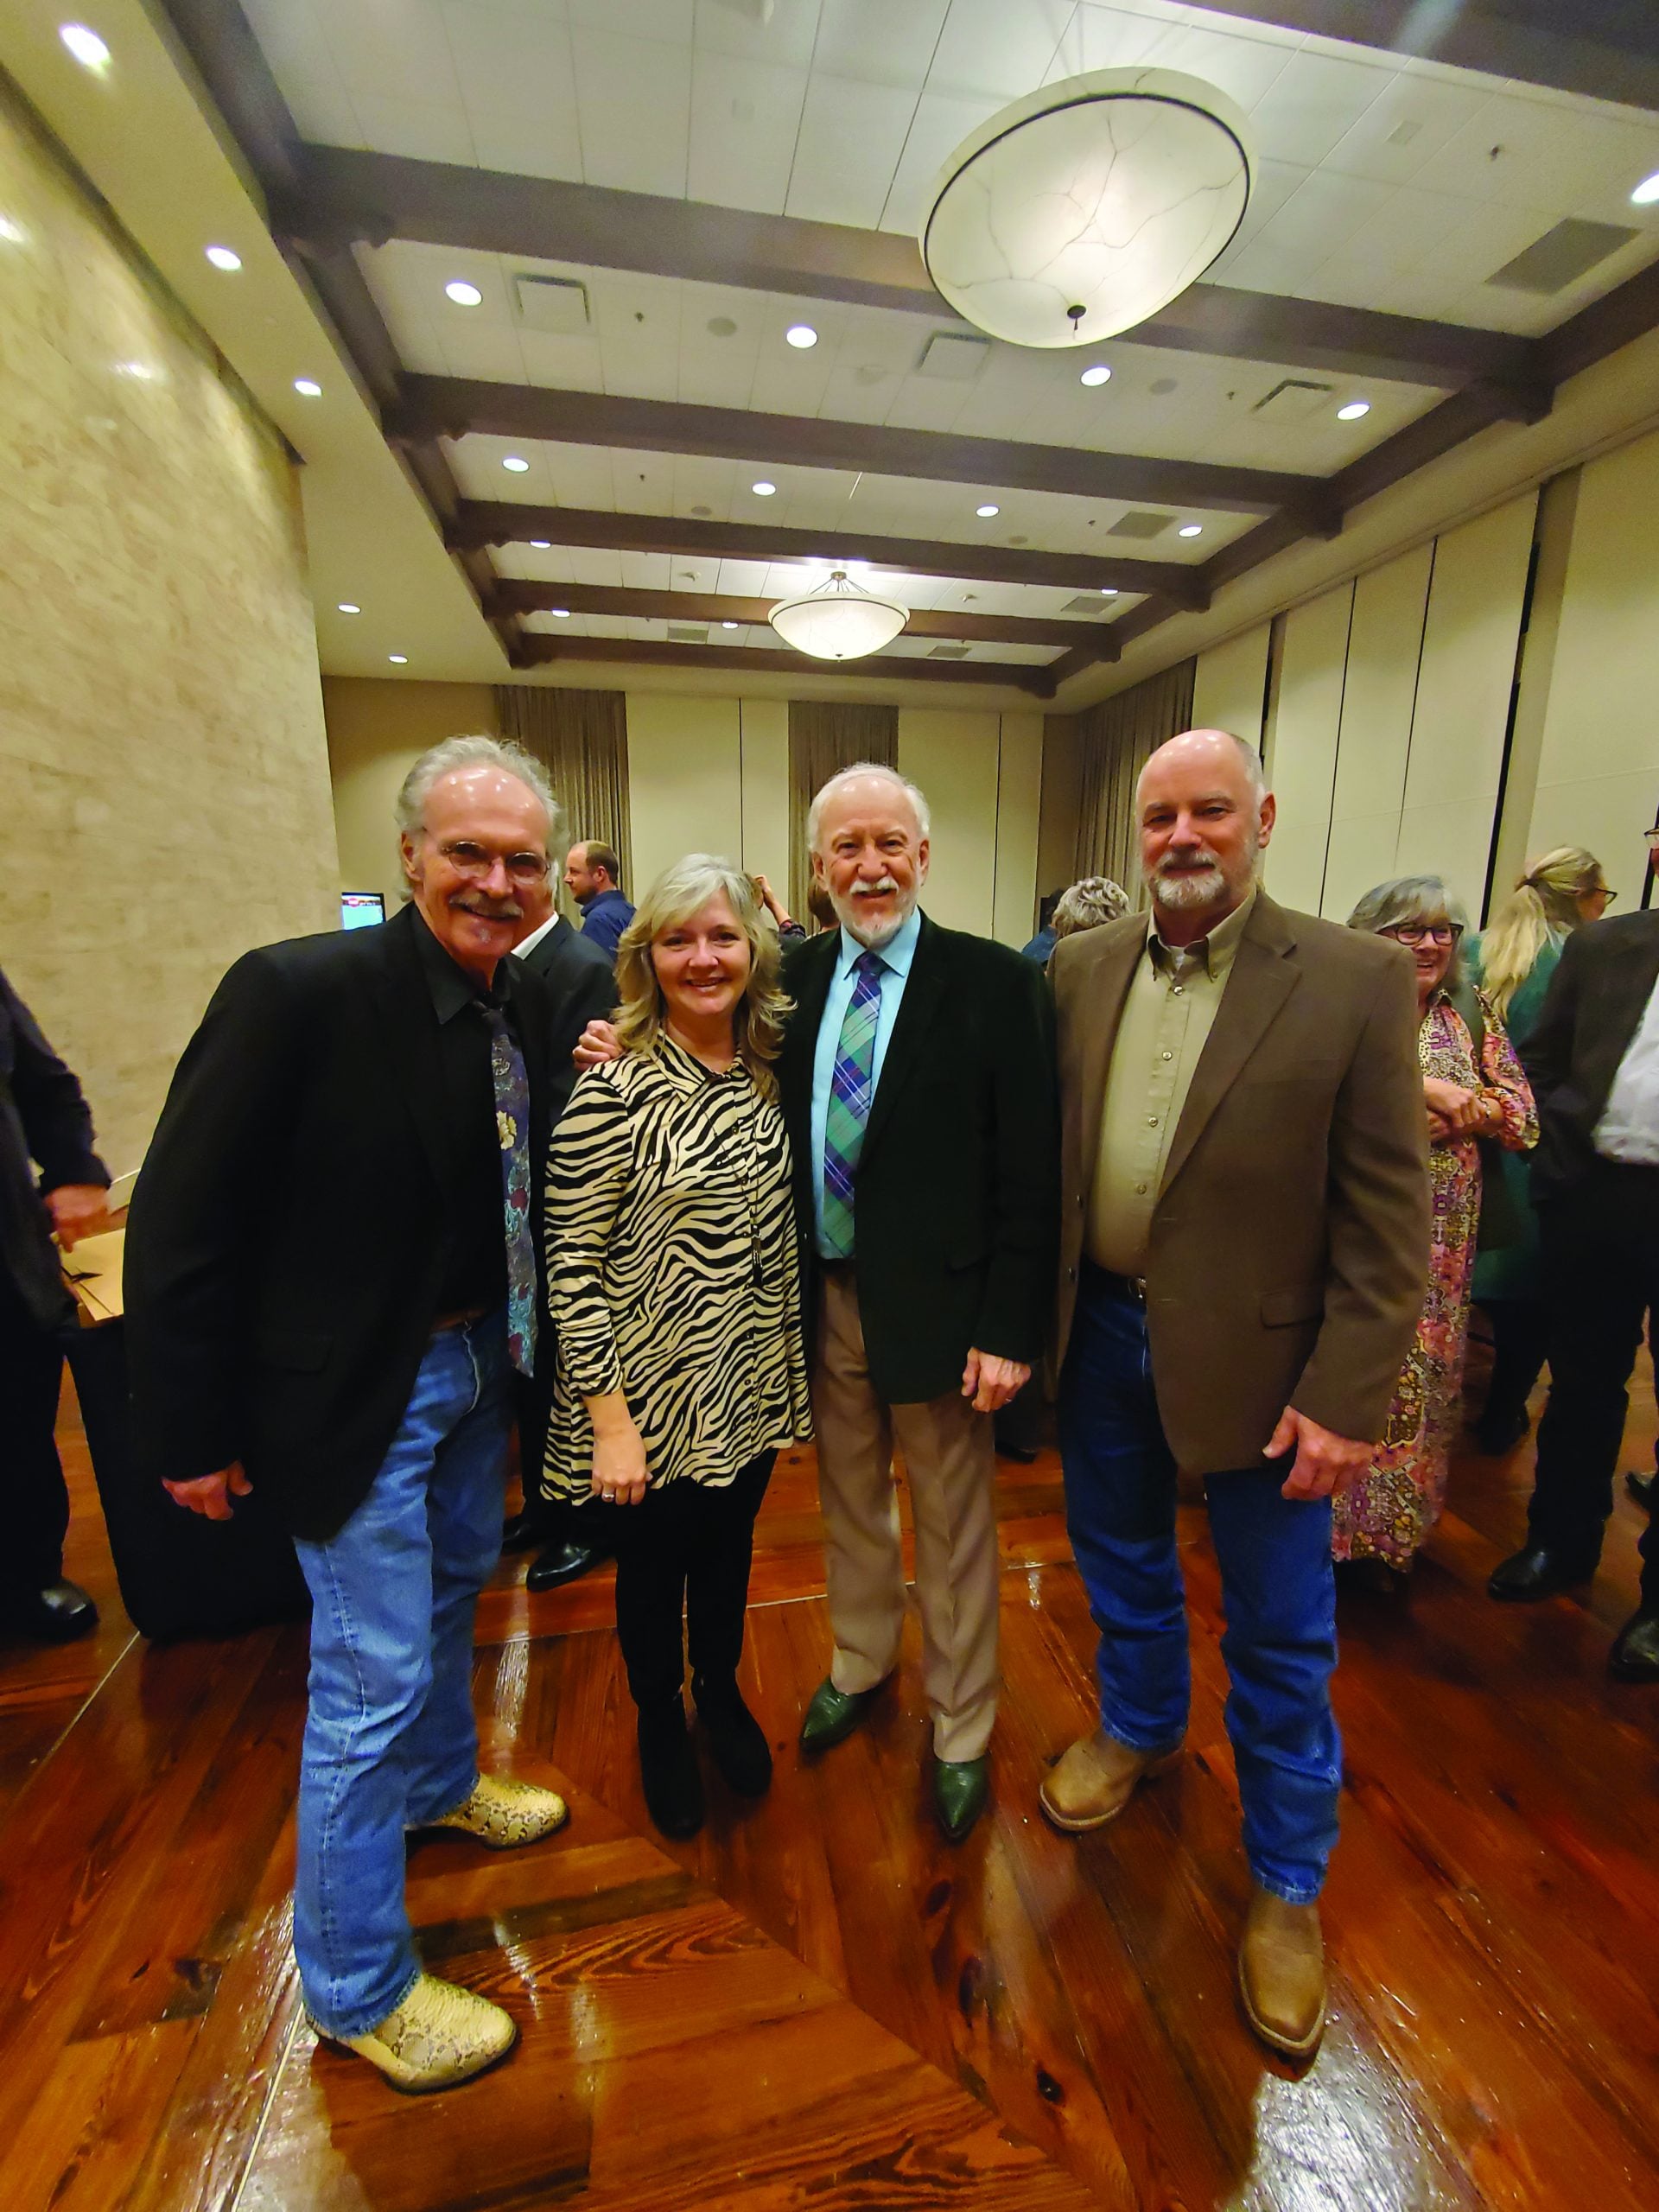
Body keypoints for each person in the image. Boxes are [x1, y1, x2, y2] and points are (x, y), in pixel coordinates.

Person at [124, 735, 571, 2094]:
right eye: (467, 855)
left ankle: (442, 1788)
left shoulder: (515, 1003)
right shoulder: (295, 992)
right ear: (409, 857)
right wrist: (185, 1430)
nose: (495, 882)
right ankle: (358, 1986)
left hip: (475, 1371)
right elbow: (183, 1217)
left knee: (450, 1606)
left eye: (520, 861)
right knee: (365, 1685)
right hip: (355, 1397)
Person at [572, 766, 1058, 1841]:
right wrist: (621, 1043)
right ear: (819, 867)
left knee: (955, 1526)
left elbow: (1032, 1172)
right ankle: (860, 1657)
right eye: (847, 847)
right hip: (815, 1302)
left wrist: (1009, 1327)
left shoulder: (992, 983)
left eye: (890, 843)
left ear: (923, 857)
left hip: (945, 1316)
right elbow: (693, 1039)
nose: (870, 865)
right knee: (848, 1506)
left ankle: (963, 1726)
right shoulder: (787, 981)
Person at [1044, 728, 1428, 2062]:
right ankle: (1142, 1726)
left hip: (1274, 1374)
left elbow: (1393, 1221)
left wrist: (1347, 1397)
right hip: (1098, 1332)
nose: (1184, 839)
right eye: (1160, 817)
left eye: (1211, 811)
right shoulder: (1081, 968)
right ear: (1136, 831)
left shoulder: (1356, 979)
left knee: (1280, 1631)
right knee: (1120, 1561)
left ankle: (1286, 1884)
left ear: (1261, 815)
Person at [544, 858, 810, 1839]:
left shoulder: (764, 1074)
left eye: (723, 937)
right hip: (645, 1403)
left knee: (728, 1551)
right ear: (647, 957)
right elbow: (567, 1268)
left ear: (754, 952)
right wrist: (610, 1425)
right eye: (678, 939)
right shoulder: (612, 1088)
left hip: (741, 1386)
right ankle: (660, 1713)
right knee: (652, 1572)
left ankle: (721, 1688)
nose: (703, 957)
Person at [1488, 815, 1659, 1682]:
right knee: (1584, 1386)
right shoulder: (1605, 948)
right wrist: (1556, 1169)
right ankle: (1561, 1544)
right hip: (1598, 1199)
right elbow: (1537, 1064)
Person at [1336, 879, 1535, 1584]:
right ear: (1371, 936)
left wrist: (1467, 1110)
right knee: (1353, 1380)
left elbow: (1523, 1116)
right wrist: (1418, 1096)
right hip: (1354, 1234)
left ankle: (1392, 1541)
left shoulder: (1469, 1014)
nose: (1430, 944)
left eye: (1442, 930)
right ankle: (1327, 1540)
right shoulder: (1343, 1009)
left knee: (1422, 1389)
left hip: (1443, 1251)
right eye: (1408, 930)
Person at [501, 852, 623, 1594]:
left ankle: (589, 1521)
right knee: (532, 1365)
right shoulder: (500, 968)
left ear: (547, 876)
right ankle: (547, 1503)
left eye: (520, 866)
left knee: (572, 1372)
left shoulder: (581, 967)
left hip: (561, 1211)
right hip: (515, 1218)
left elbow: (572, 1110)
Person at [1465, 849, 1611, 1452]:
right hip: (1537, 1155)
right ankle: (1502, 1417)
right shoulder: (1585, 962)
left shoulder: (1469, 950)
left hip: (1460, 1145)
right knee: (1530, 1306)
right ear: (1585, 896)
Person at [0, 968, 110, 1643]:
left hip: (6, 1256)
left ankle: (25, 1573)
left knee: (18, 1423)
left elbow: (46, 1086)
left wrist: (73, 1171)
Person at [564, 839, 634, 957]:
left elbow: (600, 974)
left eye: (574, 872)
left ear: (600, 874)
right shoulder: (631, 911)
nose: (566, 878)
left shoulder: (599, 920)